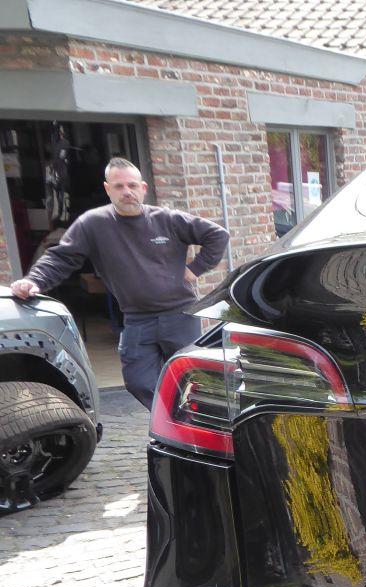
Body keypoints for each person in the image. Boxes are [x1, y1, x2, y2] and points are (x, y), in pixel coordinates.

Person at [10, 157, 229, 409]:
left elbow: (217, 235)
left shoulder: (168, 219)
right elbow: (61, 257)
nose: (127, 191)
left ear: (143, 188)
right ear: (107, 189)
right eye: (119, 186)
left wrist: (195, 268)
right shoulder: (93, 224)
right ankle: (174, 418)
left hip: (180, 316)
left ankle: (193, 422)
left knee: (193, 378)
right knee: (138, 381)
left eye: (132, 185)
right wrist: (34, 281)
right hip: (137, 319)